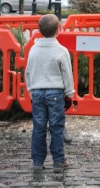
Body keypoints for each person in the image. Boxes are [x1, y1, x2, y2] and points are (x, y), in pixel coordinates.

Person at [25, 14, 75, 172]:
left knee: (38, 127)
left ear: (39, 30)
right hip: (56, 93)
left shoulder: (33, 49)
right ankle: (59, 161)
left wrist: (31, 91)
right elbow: (67, 74)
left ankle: (38, 162)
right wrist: (69, 94)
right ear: (58, 30)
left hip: (38, 92)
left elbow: (28, 72)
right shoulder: (61, 50)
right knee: (57, 127)